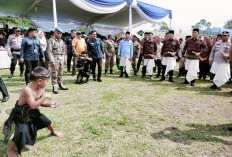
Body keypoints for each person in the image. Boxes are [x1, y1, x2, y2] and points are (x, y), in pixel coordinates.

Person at [4, 67, 62, 157]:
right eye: (46, 81)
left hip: (32, 110)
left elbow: (40, 103)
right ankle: (11, 150)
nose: (47, 82)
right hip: (21, 113)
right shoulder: (27, 90)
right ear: (39, 80)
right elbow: (33, 105)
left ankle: (53, 132)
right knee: (21, 132)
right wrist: (44, 97)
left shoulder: (41, 88)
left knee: (47, 121)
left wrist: (50, 104)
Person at [47, 27, 69, 94]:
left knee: (61, 72)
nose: (60, 34)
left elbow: (63, 51)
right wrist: (52, 61)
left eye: (60, 33)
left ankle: (60, 84)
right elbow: (49, 51)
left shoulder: (61, 41)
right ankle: (54, 85)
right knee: (54, 72)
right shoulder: (51, 40)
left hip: (61, 57)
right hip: (55, 57)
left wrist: (64, 59)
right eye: (58, 33)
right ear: (55, 32)